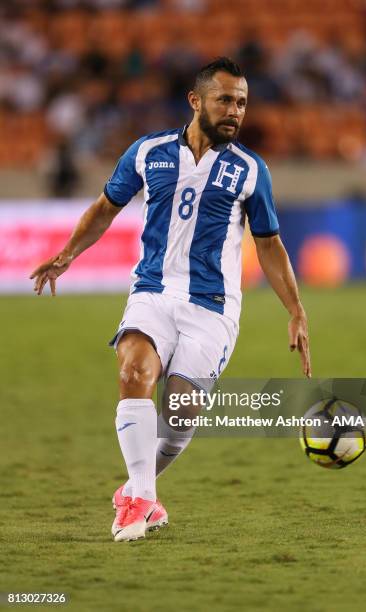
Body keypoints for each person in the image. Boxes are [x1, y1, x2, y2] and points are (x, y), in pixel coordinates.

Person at [30, 57, 311, 543]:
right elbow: (104, 208)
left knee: (180, 410)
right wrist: (68, 254)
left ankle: (139, 489)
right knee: (134, 370)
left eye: (242, 102)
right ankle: (140, 500)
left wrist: (296, 310)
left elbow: (269, 243)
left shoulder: (250, 170)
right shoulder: (148, 152)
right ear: (196, 101)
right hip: (153, 292)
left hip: (213, 306)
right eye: (225, 99)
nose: (235, 111)